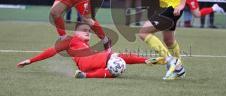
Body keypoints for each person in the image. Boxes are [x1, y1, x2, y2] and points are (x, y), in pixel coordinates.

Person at [17, 23, 148, 78]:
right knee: (114, 56)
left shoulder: (87, 47)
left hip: (88, 65)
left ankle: (85, 75)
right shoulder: (71, 40)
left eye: (89, 31)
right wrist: (30, 60)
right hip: (87, 61)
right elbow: (52, 51)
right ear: (75, 32)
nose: (88, 33)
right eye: (84, 30)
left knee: (112, 69)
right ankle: (146, 60)